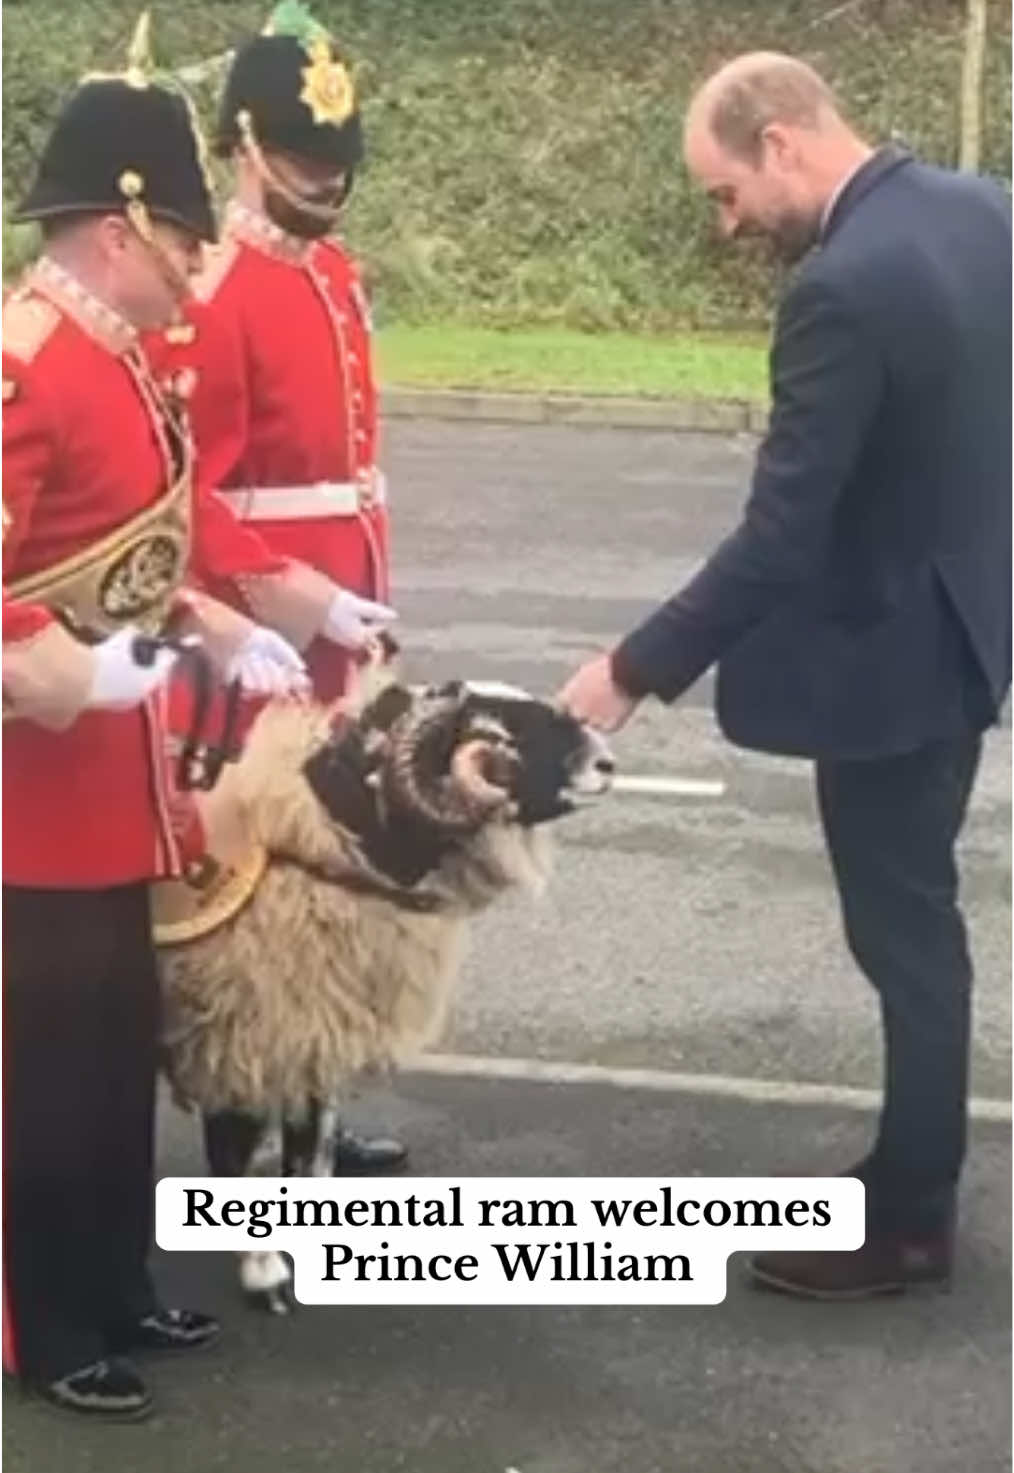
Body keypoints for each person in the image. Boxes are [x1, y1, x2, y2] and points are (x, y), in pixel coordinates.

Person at [559, 52, 1011, 1299]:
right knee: (914, 926)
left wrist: (629, 670)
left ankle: (911, 1217)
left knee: (905, 933)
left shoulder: (841, 288)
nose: (727, 223)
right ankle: (902, 1167)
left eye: (724, 193)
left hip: (889, 667)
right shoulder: (985, 212)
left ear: (781, 144)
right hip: (968, 636)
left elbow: (782, 536)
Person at [0, 32, 345, 1417]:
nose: (191, 264)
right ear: (116, 223)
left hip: (115, 772)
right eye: (176, 237)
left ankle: (116, 1274)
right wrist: (76, 671)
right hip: (33, 775)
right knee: (42, 1062)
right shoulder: (26, 361)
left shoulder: (121, 357)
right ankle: (42, 1314)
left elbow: (144, 535)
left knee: (114, 1043)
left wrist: (215, 619)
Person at [157, 0, 406, 1174]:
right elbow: (194, 502)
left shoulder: (332, 272)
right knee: (259, 900)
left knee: (340, 883)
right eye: (304, 159)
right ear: (247, 147)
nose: (324, 182)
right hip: (258, 639)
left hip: (340, 621)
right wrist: (290, 603)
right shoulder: (216, 289)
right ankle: (245, 1144)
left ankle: (318, 1107)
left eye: (335, 161)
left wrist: (350, 608)